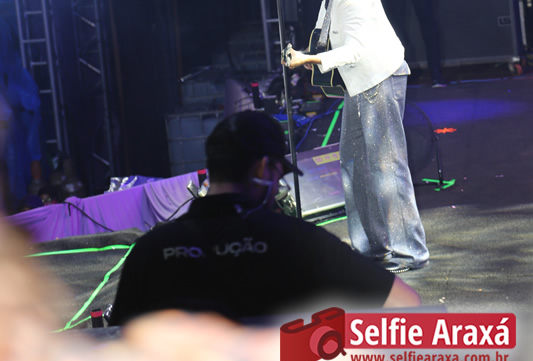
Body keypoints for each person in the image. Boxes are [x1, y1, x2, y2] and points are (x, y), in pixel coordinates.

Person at [109, 110, 420, 326]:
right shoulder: (301, 242)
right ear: (262, 168)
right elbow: (405, 304)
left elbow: (116, 342)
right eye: (277, 174)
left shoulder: (150, 250)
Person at [282, 0, 429, 274]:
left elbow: (357, 49)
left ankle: (411, 251)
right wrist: (307, 53)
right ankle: (371, 249)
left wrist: (310, 60)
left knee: (386, 167)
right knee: (353, 163)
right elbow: (327, 26)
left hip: (379, 77)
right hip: (359, 84)